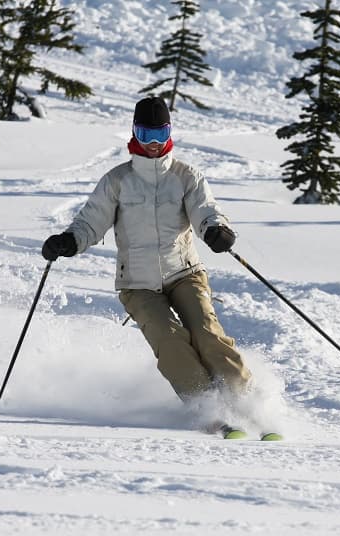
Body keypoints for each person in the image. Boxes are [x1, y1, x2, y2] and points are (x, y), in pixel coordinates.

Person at [41, 96, 253, 415]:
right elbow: (90, 221)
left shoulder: (186, 176)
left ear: (170, 133)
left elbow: (205, 210)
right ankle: (207, 407)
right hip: (137, 284)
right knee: (170, 344)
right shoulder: (117, 181)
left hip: (185, 273)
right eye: (145, 135)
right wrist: (69, 241)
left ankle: (247, 401)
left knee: (207, 334)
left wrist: (215, 229)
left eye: (160, 134)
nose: (153, 144)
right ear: (134, 134)